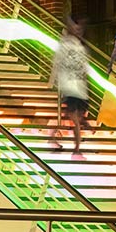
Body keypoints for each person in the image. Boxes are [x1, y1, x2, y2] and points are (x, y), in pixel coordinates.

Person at [50, 16, 90, 152]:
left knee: (71, 117)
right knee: (73, 118)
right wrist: (53, 80)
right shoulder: (67, 44)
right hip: (72, 87)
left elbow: (84, 66)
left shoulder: (79, 46)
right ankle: (76, 147)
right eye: (76, 28)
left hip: (78, 88)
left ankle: (56, 139)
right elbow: (57, 62)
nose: (79, 31)